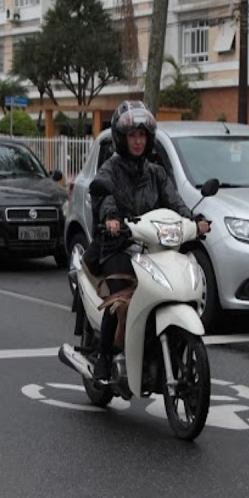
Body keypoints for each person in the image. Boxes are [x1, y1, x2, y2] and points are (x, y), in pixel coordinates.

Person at [85, 100, 210, 383]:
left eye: (142, 135)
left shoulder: (156, 172)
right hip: (118, 246)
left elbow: (175, 202)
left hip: (152, 248)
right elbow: (104, 198)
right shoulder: (110, 169)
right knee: (122, 299)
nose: (138, 141)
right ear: (122, 138)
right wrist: (112, 221)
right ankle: (105, 357)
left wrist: (194, 221)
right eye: (132, 135)